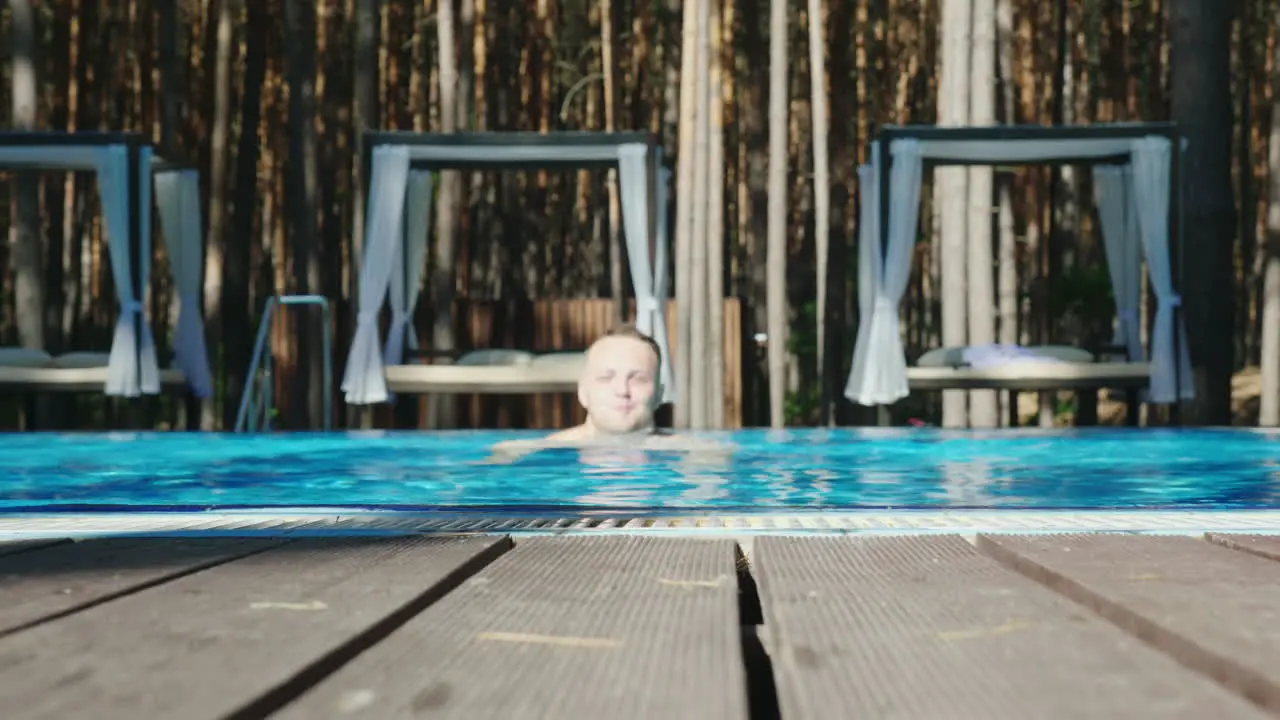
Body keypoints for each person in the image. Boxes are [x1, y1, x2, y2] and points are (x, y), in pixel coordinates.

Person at [485, 324, 732, 462]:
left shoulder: (704, 455)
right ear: (583, 392)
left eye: (638, 379)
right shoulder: (523, 455)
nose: (622, 390)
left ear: (659, 394)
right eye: (606, 378)